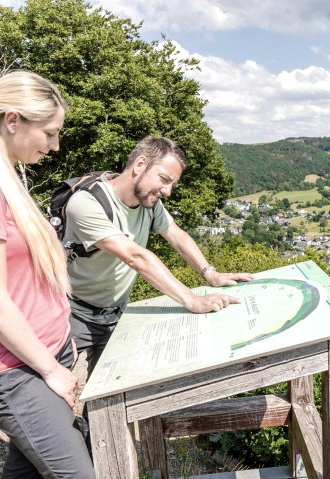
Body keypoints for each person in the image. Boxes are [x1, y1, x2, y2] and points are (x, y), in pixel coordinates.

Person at [0, 71, 95, 478]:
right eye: (49, 133)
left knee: (28, 470)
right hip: (16, 368)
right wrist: (51, 370)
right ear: (12, 120)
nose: (55, 145)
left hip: (46, 350)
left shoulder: (3, 176)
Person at [64, 135, 254, 376]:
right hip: (71, 313)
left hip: (116, 314)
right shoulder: (87, 203)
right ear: (140, 165)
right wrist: (191, 299)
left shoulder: (149, 203)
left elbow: (176, 235)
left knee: (107, 401)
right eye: (164, 180)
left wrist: (211, 274)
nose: (167, 191)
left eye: (172, 184)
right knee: (53, 391)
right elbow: (136, 257)